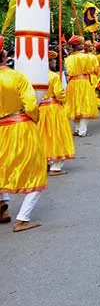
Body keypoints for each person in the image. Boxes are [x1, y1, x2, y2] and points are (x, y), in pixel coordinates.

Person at [0, 37, 48, 232]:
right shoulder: (17, 77)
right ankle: (23, 219)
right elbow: (30, 105)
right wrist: (34, 119)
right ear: (4, 54)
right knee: (36, 171)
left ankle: (3, 207)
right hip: (19, 127)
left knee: (2, 169)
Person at [39, 51, 75, 176]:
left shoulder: (33, 76)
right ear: (48, 62)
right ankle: (56, 166)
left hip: (39, 110)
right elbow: (60, 94)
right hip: (53, 109)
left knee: (43, 136)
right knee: (57, 135)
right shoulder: (53, 76)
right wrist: (64, 100)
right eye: (53, 60)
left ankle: (45, 162)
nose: (55, 62)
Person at [64, 35, 100, 136]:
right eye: (80, 44)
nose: (82, 45)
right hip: (83, 82)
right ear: (76, 45)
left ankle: (77, 129)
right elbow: (90, 69)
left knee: (74, 105)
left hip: (72, 83)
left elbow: (68, 72)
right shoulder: (86, 57)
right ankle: (82, 130)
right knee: (85, 105)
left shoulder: (68, 58)